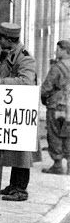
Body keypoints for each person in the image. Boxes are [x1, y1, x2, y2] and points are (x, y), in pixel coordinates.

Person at [0, 22, 37, 202]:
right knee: (13, 149)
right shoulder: (11, 54)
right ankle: (14, 185)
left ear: (8, 39)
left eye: (0, 38)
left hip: (22, 109)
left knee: (22, 151)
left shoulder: (25, 58)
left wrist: (2, 83)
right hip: (12, 108)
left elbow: (27, 81)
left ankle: (21, 189)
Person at [40, 40, 70, 174]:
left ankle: (57, 164)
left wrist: (43, 97)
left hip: (56, 105)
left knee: (54, 133)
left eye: (58, 49)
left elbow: (47, 87)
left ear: (65, 50)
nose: (56, 52)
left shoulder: (57, 67)